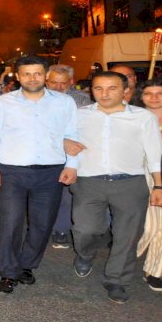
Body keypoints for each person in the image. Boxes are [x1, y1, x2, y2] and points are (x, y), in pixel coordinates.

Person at [0, 55, 78, 294]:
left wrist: (72, 165)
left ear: (46, 75)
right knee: (10, 222)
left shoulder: (64, 102)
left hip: (51, 172)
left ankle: (27, 265)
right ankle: (8, 272)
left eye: (37, 73)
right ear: (18, 76)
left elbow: (73, 134)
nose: (32, 78)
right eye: (26, 74)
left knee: (42, 224)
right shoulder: (3, 103)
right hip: (12, 172)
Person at [65, 71, 162, 303]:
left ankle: (116, 280)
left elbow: (154, 154)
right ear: (91, 91)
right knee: (85, 229)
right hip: (89, 182)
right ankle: (85, 254)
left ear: (126, 90)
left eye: (112, 88)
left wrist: (158, 186)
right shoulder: (78, 114)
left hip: (131, 183)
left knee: (127, 236)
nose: (104, 93)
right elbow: (57, 135)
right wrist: (64, 141)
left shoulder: (142, 117)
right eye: (98, 88)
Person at [46, 64, 92, 249]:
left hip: (73, 153)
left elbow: (84, 128)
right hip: (44, 154)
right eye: (53, 82)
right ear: (46, 81)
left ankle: (61, 229)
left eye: (63, 83)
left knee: (67, 195)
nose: (58, 87)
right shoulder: (36, 99)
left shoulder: (82, 100)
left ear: (71, 82)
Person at [138, 79, 162, 291]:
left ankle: (155, 270)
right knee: (149, 227)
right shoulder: (133, 118)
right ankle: (127, 255)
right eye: (149, 93)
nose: (154, 97)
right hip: (139, 177)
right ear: (141, 96)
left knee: (161, 226)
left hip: (161, 179)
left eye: (160, 93)